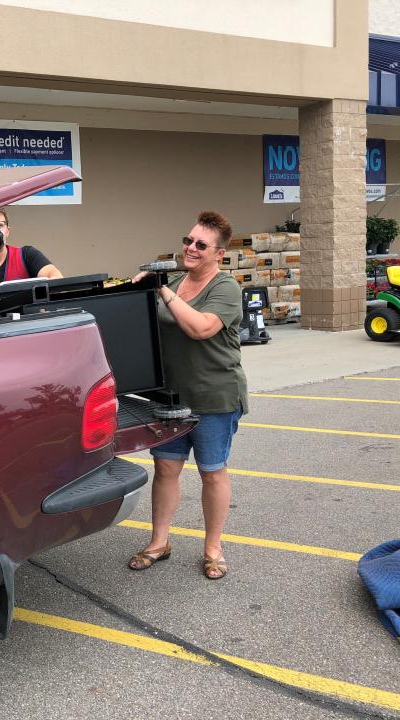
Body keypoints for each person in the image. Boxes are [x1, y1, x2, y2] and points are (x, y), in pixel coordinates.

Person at [127, 210, 248, 580]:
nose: (190, 248)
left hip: (214, 397)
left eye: (200, 244)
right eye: (188, 240)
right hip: (170, 397)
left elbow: (200, 328)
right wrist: (134, 290)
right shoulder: (176, 282)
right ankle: (159, 542)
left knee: (212, 472)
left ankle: (213, 548)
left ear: (219, 254)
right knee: (166, 468)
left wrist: (161, 288)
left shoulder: (224, 288)